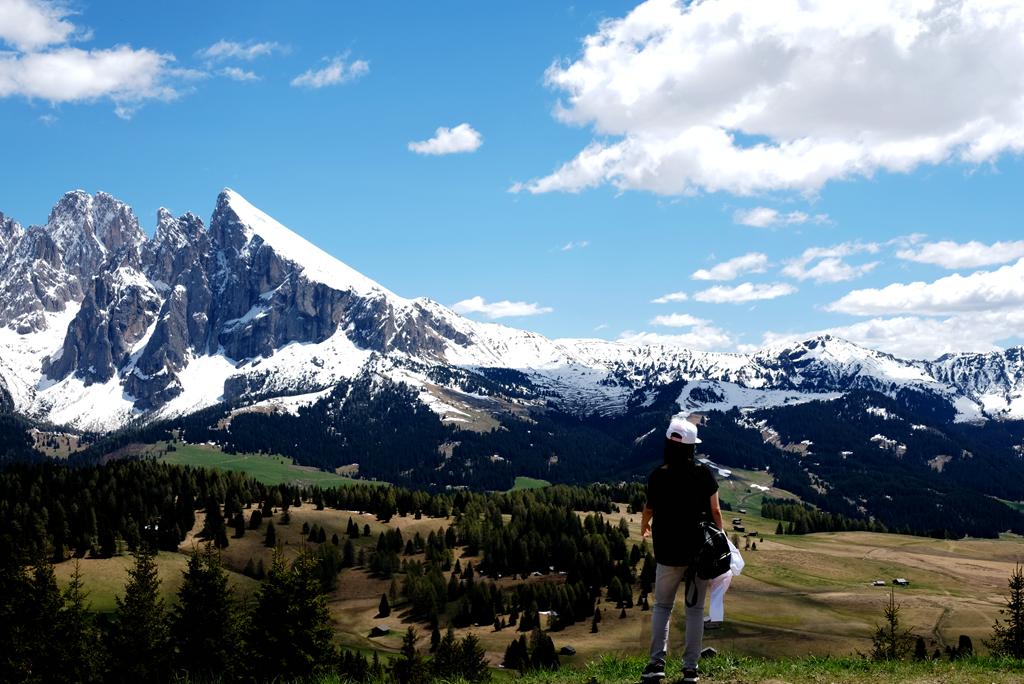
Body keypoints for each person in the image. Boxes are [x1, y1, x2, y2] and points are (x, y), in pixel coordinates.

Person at [641, 416, 723, 684]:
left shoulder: (657, 476)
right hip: (699, 552)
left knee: (663, 607)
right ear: (692, 448)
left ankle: (656, 664)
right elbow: (716, 511)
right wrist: (720, 538)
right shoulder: (703, 474)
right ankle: (690, 669)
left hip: (668, 551)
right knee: (695, 610)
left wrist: (644, 525)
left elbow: (650, 507)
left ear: (667, 444)